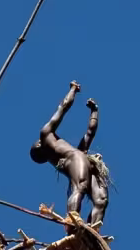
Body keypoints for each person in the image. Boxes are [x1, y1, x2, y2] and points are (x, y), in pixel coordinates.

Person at [29, 81, 109, 225]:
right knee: (81, 187)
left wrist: (94, 112)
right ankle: (73, 221)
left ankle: (92, 230)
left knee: (101, 200)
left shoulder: (65, 156)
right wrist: (73, 89)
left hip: (84, 161)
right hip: (79, 159)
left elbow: (89, 133)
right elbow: (63, 107)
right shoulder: (46, 135)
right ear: (39, 145)